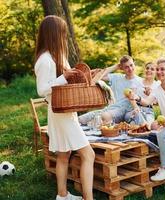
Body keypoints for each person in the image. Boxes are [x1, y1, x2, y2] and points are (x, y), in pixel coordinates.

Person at [34, 15, 95, 200]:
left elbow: (69, 81)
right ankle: (89, 198)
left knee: (64, 154)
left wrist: (87, 75)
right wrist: (64, 77)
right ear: (53, 33)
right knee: (89, 155)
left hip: (65, 111)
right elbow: (42, 89)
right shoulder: (45, 60)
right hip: (60, 114)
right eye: (62, 32)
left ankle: (62, 195)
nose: (64, 36)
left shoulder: (57, 56)